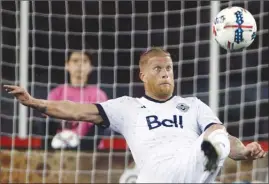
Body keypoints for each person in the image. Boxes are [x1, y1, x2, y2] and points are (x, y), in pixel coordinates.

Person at [4, 47, 267, 183]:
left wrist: (242, 151)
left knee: (218, 135)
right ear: (143, 75)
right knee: (215, 140)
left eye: (169, 68)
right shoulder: (127, 107)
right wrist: (36, 103)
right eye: (158, 68)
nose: (166, 73)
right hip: (157, 174)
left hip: (191, 165)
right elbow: (76, 110)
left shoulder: (194, 105)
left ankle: (208, 160)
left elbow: (223, 136)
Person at [47, 51, 108, 150]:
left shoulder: (98, 95)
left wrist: (81, 149)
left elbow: (99, 128)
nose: (79, 65)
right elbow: (48, 125)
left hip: (89, 152)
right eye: (75, 61)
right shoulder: (56, 93)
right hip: (59, 150)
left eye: (84, 61)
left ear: (90, 67)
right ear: (67, 65)